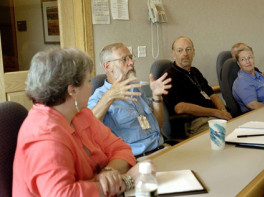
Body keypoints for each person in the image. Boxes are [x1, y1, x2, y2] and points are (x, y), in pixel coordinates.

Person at [13, 47, 155, 197]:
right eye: (88, 81)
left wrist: (108, 173)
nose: (91, 86)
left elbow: (122, 149)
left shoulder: (81, 114)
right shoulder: (44, 134)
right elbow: (65, 194)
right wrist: (124, 182)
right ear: (72, 91)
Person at [88, 43, 171, 158]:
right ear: (108, 67)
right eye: (124, 59)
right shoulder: (100, 97)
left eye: (131, 57)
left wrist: (157, 97)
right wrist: (110, 96)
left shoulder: (135, 88)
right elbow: (88, 127)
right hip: (136, 159)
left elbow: (158, 125)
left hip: (161, 149)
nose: (131, 62)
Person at [162, 36, 232, 138]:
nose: (185, 54)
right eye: (180, 50)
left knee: (236, 130)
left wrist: (223, 112)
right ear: (173, 55)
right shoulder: (169, 76)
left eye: (188, 49)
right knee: (226, 138)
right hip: (195, 122)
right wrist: (216, 113)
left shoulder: (194, 71)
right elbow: (180, 108)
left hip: (213, 117)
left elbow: (212, 94)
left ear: (193, 52)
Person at [232, 45, 264, 113]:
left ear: (254, 59)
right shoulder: (242, 81)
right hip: (260, 115)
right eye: (243, 59)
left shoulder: (260, 75)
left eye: (250, 57)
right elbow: (253, 105)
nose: (248, 61)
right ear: (239, 63)